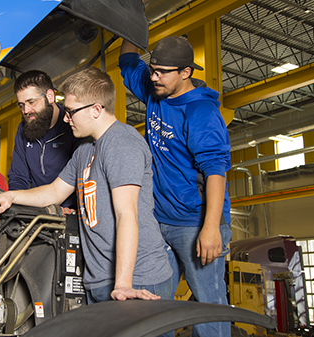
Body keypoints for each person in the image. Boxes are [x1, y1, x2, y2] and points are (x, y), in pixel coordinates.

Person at [0, 67, 172, 304]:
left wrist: (123, 282)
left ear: (96, 110)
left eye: (71, 112)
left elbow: (127, 214)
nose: (66, 117)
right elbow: (54, 192)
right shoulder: (85, 150)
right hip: (100, 278)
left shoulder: (121, 143)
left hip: (137, 279)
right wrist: (11, 196)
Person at [119, 36, 232, 336]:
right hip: (159, 223)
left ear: (186, 73)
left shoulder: (201, 113)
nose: (153, 76)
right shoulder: (156, 89)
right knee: (154, 308)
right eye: (153, 69)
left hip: (195, 224)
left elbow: (216, 172)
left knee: (208, 309)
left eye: (162, 71)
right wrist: (131, 27)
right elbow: (128, 63)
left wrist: (210, 228)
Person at [9, 70, 82, 208]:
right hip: (38, 209)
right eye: (21, 105)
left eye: (31, 102)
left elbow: (83, 177)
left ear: (50, 96)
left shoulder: (74, 126)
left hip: (73, 213)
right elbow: (18, 177)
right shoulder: (23, 130)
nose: (26, 110)